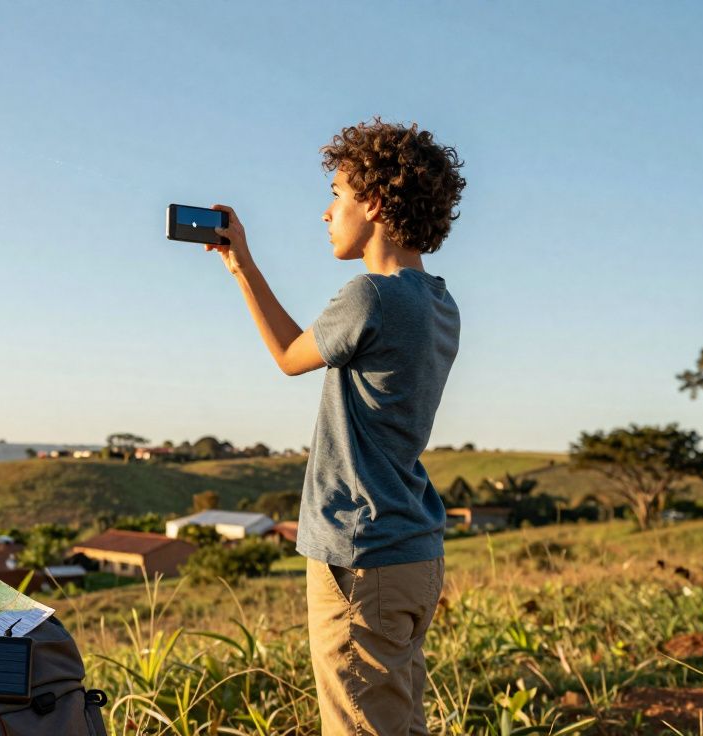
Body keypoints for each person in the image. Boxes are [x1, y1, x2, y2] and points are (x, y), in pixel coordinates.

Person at [205, 117, 465, 735]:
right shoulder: (439, 301)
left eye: (338, 196)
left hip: (360, 555)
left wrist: (241, 265)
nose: (327, 213)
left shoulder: (371, 296)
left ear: (374, 203)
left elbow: (290, 356)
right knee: (397, 722)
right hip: (413, 553)